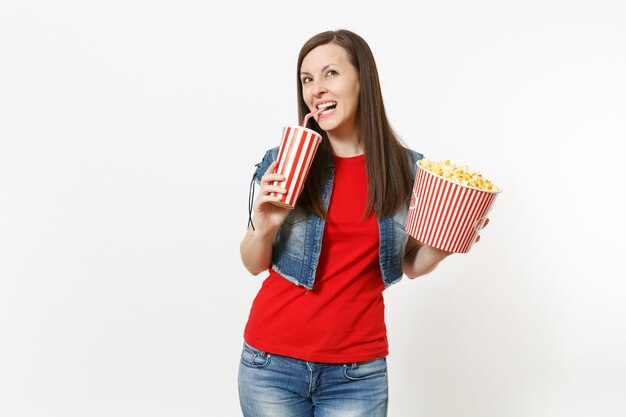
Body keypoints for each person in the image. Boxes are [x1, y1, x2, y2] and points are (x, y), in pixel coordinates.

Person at [238, 29, 487, 417]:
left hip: (357, 375)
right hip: (270, 365)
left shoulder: (408, 171)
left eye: (330, 74)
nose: (316, 89)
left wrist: (444, 243)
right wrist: (264, 226)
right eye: (307, 79)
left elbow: (410, 265)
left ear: (362, 80)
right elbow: (253, 263)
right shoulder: (284, 159)